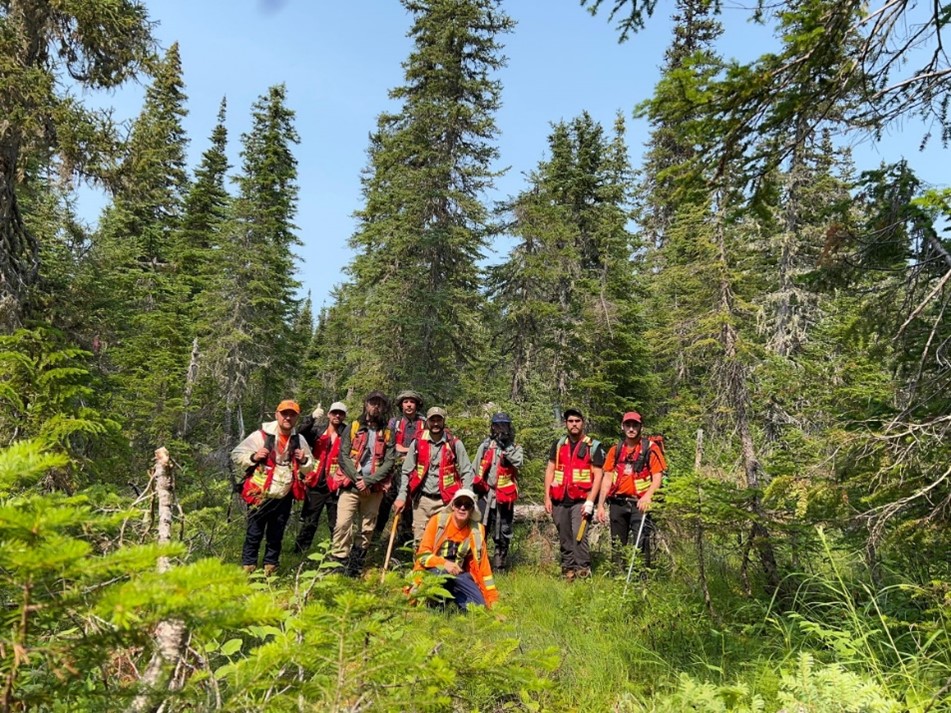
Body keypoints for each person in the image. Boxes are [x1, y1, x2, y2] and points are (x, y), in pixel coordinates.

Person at [231, 399, 315, 575]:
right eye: (284, 414)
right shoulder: (261, 435)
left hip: (284, 495)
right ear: (277, 415)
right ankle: (248, 568)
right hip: (259, 494)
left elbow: (310, 467)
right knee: (254, 533)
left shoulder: (299, 440)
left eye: (292, 415)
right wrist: (254, 457)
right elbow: (237, 454)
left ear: (297, 418)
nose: (288, 418)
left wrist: (304, 460)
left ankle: (270, 569)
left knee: (276, 535)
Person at [332, 391, 396, 576]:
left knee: (367, 528)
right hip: (350, 486)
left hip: (374, 489)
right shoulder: (352, 427)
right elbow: (343, 456)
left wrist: (368, 481)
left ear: (384, 408)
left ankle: (355, 566)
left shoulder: (387, 432)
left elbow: (389, 461)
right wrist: (357, 478)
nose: (375, 407)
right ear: (365, 404)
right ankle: (338, 564)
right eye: (372, 403)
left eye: (379, 404)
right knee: (343, 524)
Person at [393, 406, 477, 543]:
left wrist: (467, 498)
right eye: (432, 420)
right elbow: (406, 471)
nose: (436, 423)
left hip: (445, 502)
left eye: (439, 420)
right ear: (427, 422)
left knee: (441, 543)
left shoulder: (454, 443)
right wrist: (402, 495)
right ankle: (419, 564)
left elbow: (467, 471)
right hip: (422, 501)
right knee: (419, 543)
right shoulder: (418, 442)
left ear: (444, 422)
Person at [597, 411, 666, 568]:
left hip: (640, 503)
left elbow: (657, 478)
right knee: (617, 544)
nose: (631, 428)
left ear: (641, 427)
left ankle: (642, 581)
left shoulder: (650, 449)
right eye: (628, 425)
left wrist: (648, 496)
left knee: (641, 543)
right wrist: (600, 505)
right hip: (618, 503)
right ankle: (617, 578)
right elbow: (607, 478)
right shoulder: (615, 450)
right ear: (623, 427)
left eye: (635, 425)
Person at [544, 408, 605, 580]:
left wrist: (591, 501)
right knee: (565, 538)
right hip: (560, 500)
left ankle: (583, 571)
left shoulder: (592, 446)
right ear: (566, 424)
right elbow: (550, 470)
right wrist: (547, 497)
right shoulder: (558, 445)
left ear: (583, 423)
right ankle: (568, 572)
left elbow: (598, 475)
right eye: (571, 421)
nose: (574, 424)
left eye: (577, 421)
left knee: (579, 537)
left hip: (581, 500)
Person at [414, 488, 498, 609]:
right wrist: (444, 563)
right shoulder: (437, 522)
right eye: (459, 503)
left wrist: (492, 600)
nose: (462, 508)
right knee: (440, 573)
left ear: (472, 509)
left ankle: (453, 600)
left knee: (479, 607)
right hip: (435, 571)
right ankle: (432, 603)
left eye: (467, 505)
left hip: (459, 575)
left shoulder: (477, 531)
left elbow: (484, 569)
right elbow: (422, 555)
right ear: (453, 506)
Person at [294, 401, 348, 555]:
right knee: (310, 521)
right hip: (315, 483)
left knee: (335, 523)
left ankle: (336, 553)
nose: (337, 415)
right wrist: (311, 418)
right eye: (335, 412)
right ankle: (299, 553)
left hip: (336, 485)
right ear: (329, 414)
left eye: (341, 413)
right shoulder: (317, 430)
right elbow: (300, 433)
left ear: (344, 416)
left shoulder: (347, 433)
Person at [472, 412, 523, 571]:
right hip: (485, 495)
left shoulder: (514, 448)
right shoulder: (486, 446)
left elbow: (519, 462)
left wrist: (505, 449)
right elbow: (474, 469)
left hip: (504, 497)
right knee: (480, 530)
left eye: (504, 426)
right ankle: (478, 564)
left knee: (503, 531)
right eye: (498, 426)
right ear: (493, 427)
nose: (501, 429)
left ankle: (499, 565)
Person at [375, 389, 425, 546]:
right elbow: (390, 446)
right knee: (384, 505)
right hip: (393, 470)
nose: (409, 405)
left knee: (409, 508)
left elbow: (424, 447)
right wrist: (409, 449)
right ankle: (374, 541)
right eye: (406, 402)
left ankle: (404, 544)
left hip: (415, 472)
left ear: (416, 405)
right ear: (401, 405)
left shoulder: (424, 423)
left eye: (412, 402)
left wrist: (404, 449)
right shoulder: (393, 423)